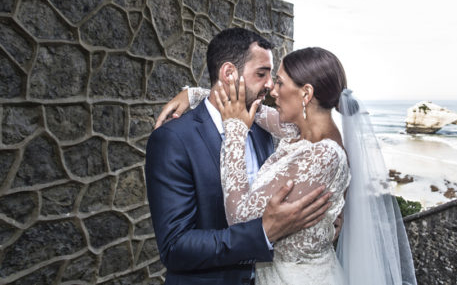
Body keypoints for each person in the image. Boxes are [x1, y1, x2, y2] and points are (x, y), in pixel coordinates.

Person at [156, 46, 417, 284]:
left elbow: (239, 218)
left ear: (306, 93)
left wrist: (235, 130)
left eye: (280, 82)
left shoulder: (323, 155)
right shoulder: (297, 129)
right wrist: (195, 94)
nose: (272, 89)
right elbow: (252, 108)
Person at [145, 28, 333, 285]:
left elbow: (314, 123)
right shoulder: (173, 140)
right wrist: (264, 233)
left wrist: (194, 93)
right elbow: (176, 246)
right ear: (229, 73)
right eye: (261, 73)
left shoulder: (262, 127)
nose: (270, 85)